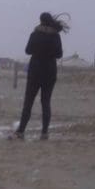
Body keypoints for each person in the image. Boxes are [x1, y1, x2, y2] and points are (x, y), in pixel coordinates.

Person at [11, 12, 69, 140]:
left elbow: (28, 51)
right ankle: (44, 133)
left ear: (41, 21)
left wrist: (38, 49)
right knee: (45, 102)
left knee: (28, 102)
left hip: (35, 71)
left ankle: (21, 131)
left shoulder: (35, 34)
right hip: (50, 72)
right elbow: (59, 54)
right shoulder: (55, 36)